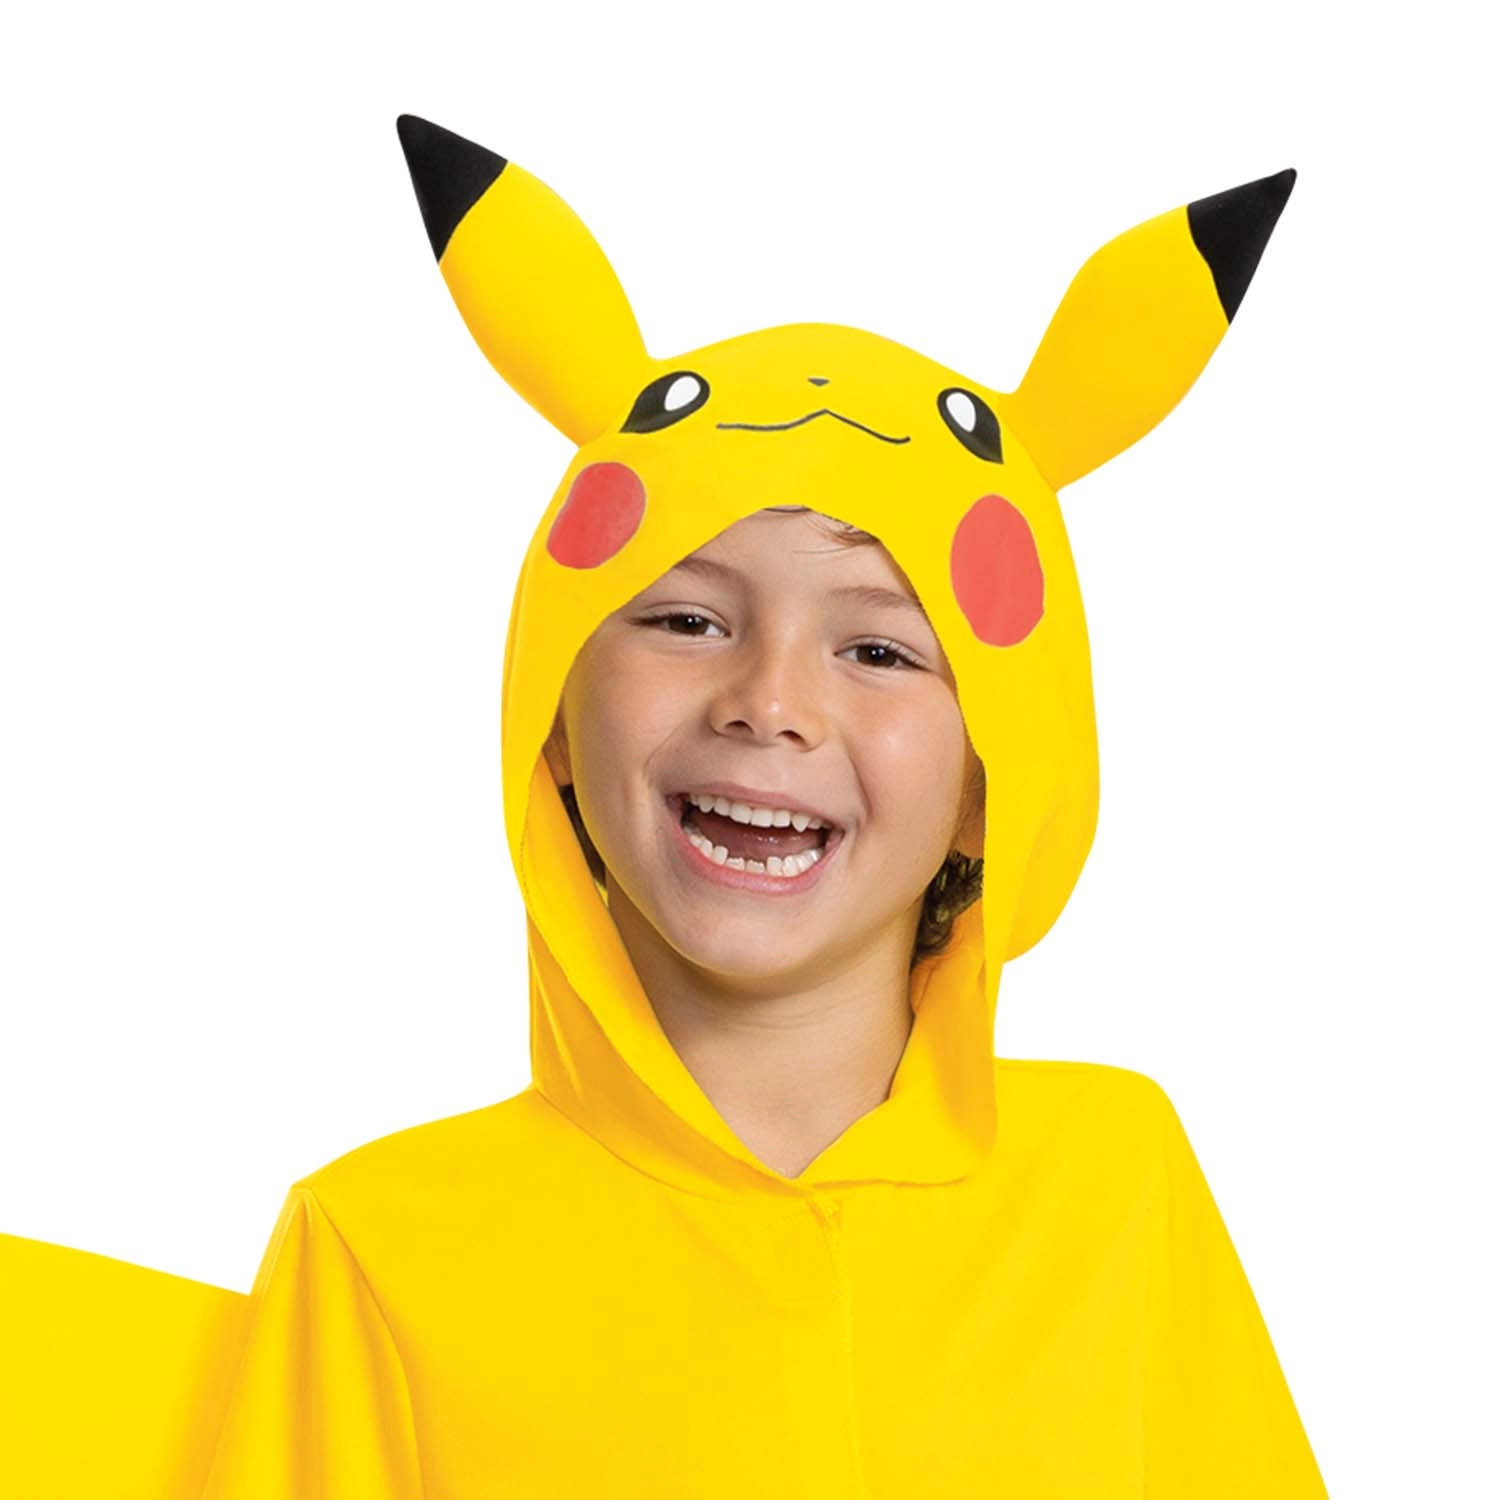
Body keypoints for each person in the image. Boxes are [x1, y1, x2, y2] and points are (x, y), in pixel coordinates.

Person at [1, 116, 1327, 1496]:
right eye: (687, 620)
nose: (770, 702)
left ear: (998, 778)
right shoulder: (382, 1248)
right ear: (556, 722)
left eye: (879, 650)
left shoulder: (1119, 1186)